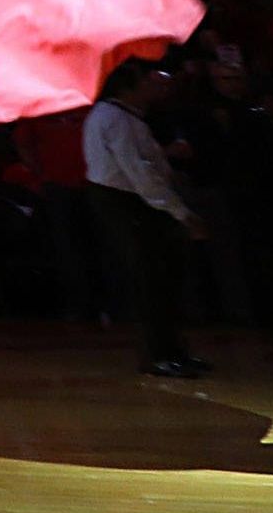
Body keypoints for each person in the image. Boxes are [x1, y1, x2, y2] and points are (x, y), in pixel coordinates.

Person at [83, 63, 207, 377]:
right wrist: (181, 212)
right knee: (151, 280)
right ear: (130, 86)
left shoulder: (121, 116)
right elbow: (139, 174)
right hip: (127, 203)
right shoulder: (114, 118)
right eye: (152, 81)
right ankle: (159, 355)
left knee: (160, 279)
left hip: (132, 202)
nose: (161, 87)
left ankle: (172, 351)